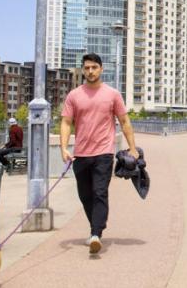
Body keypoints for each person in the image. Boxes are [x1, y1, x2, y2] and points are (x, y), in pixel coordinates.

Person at [60, 53, 139, 255]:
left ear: (101, 69)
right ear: (83, 70)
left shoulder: (112, 94)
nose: (90, 71)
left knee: (99, 192)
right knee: (85, 196)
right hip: (80, 155)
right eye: (87, 68)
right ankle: (96, 228)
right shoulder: (74, 95)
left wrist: (132, 148)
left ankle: (96, 233)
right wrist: (63, 148)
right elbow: (66, 122)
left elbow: (124, 121)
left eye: (94, 67)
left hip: (104, 152)